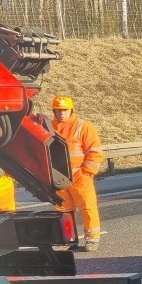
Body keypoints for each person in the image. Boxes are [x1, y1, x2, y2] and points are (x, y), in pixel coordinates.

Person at [51, 95, 104, 250]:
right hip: (59, 176)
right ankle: (70, 239)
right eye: (58, 110)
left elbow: (95, 151)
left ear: (71, 110)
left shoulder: (83, 126)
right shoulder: (49, 127)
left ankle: (92, 239)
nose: (62, 113)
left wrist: (87, 172)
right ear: (54, 110)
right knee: (63, 209)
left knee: (87, 207)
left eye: (65, 110)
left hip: (80, 175)